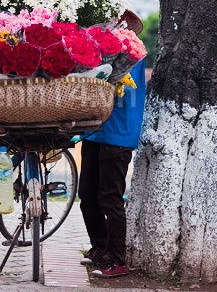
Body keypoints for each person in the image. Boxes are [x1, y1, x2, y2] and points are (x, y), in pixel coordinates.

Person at [78, 54, 146, 278]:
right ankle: (100, 247)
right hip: (94, 132)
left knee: (110, 200)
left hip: (117, 136)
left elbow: (123, 91)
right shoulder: (100, 50)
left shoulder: (132, 55)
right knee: (87, 196)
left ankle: (117, 260)